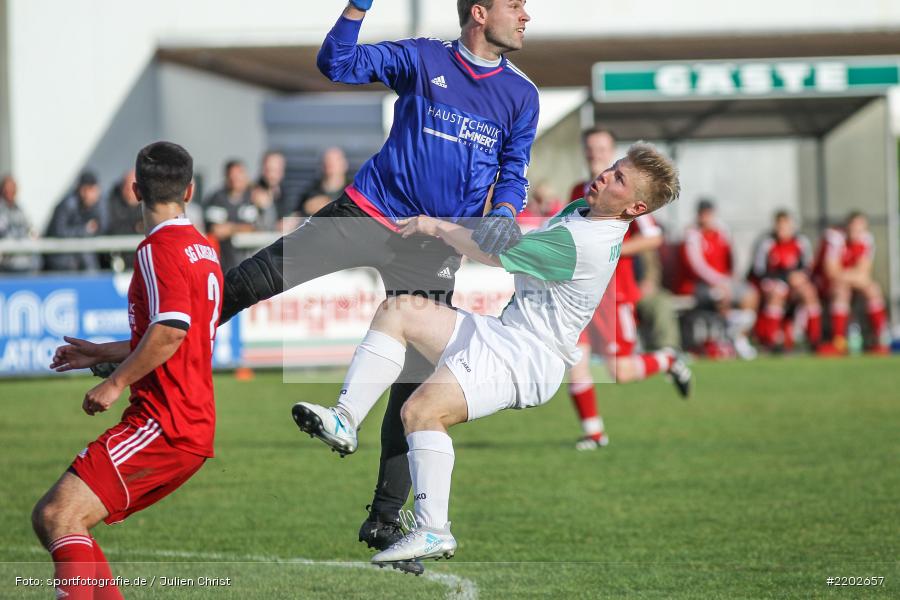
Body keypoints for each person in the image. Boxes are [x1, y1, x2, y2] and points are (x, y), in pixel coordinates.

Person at [218, 0, 538, 567]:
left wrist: (506, 211)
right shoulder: (421, 57)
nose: (526, 16)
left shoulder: (522, 95)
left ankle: (386, 520)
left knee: (414, 385)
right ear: (480, 13)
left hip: (436, 244)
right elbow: (335, 64)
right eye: (515, 5)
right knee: (260, 274)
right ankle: (169, 340)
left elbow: (513, 169)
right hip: (367, 210)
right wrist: (358, 6)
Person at [292, 143, 680, 564]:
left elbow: (495, 255)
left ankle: (434, 529)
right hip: (505, 332)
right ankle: (345, 419)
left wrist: (435, 226)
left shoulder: (583, 242)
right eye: (612, 167)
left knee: (421, 412)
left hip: (527, 359)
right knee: (398, 311)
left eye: (619, 178)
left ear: (635, 208)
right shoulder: (581, 211)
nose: (605, 175)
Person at [33, 142, 223, 600]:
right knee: (61, 518)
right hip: (184, 420)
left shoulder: (157, 249)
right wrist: (102, 352)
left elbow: (172, 330)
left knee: (60, 515)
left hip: (166, 422)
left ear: (135, 189)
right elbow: (173, 332)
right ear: (190, 191)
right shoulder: (203, 248)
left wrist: (116, 381)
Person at [567, 128, 690, 451]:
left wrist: (613, 248)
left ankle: (667, 359)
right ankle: (594, 433)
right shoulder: (578, 189)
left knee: (618, 370)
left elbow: (654, 237)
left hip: (614, 294)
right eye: (590, 147)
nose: (595, 153)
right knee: (575, 360)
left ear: (611, 151)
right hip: (578, 293)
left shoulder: (628, 194)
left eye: (601, 148)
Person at [676, 199, 758, 358]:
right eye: (702, 214)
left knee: (750, 294)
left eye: (708, 213)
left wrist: (731, 280)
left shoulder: (722, 232)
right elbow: (698, 267)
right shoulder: (692, 236)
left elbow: (732, 259)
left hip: (723, 283)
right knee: (720, 295)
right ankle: (725, 339)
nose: (705, 217)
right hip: (697, 286)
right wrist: (721, 283)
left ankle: (739, 336)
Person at [813, 212, 889, 354]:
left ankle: (881, 340)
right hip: (823, 284)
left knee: (873, 289)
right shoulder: (835, 238)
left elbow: (865, 272)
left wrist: (847, 275)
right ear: (847, 226)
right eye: (853, 228)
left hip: (847, 281)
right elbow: (831, 272)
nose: (857, 232)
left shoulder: (866, 239)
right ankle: (839, 343)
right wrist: (853, 276)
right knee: (842, 291)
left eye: (860, 229)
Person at [749, 210, 821, 351]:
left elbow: (808, 268)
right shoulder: (766, 242)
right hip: (770, 283)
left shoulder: (801, 242)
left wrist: (800, 277)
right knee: (777, 292)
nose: (783, 229)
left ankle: (815, 339)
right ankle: (771, 341)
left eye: (786, 225)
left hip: (794, 286)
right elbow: (759, 271)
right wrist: (786, 278)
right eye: (779, 225)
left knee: (809, 292)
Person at [45, 171, 104, 272]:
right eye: (92, 190)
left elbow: (103, 225)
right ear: (83, 190)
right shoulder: (68, 205)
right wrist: (84, 230)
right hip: (61, 261)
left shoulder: (94, 206)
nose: (96, 195)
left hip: (78, 261)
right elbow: (59, 232)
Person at [204, 159, 257, 271]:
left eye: (239, 175)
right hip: (222, 263)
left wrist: (230, 228)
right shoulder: (217, 198)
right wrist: (239, 227)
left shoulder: (251, 198)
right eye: (232, 175)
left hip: (248, 263)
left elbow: (253, 228)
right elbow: (216, 230)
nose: (236, 179)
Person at [0, 174, 40, 272]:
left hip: (24, 262)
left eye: (13, 189)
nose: (11, 192)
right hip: (6, 265)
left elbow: (31, 230)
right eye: (8, 189)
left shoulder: (20, 210)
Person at [297, 146, 351, 217]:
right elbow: (297, 216)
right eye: (327, 160)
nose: (330, 164)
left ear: (344, 164)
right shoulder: (310, 191)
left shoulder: (352, 191)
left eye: (335, 161)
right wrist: (306, 208)